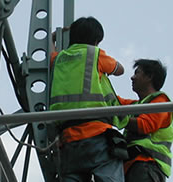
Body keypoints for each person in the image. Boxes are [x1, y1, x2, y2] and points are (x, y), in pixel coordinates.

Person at [49, 16, 126, 182]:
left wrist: (53, 37)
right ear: (96, 40)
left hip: (68, 139)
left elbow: (49, 53)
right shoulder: (95, 54)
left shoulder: (59, 59)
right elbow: (120, 70)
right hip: (96, 134)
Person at [118, 59, 173, 182]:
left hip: (147, 166)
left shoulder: (161, 102)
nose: (132, 78)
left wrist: (118, 118)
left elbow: (144, 125)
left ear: (149, 76)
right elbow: (115, 103)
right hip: (133, 167)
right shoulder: (138, 105)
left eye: (137, 73)